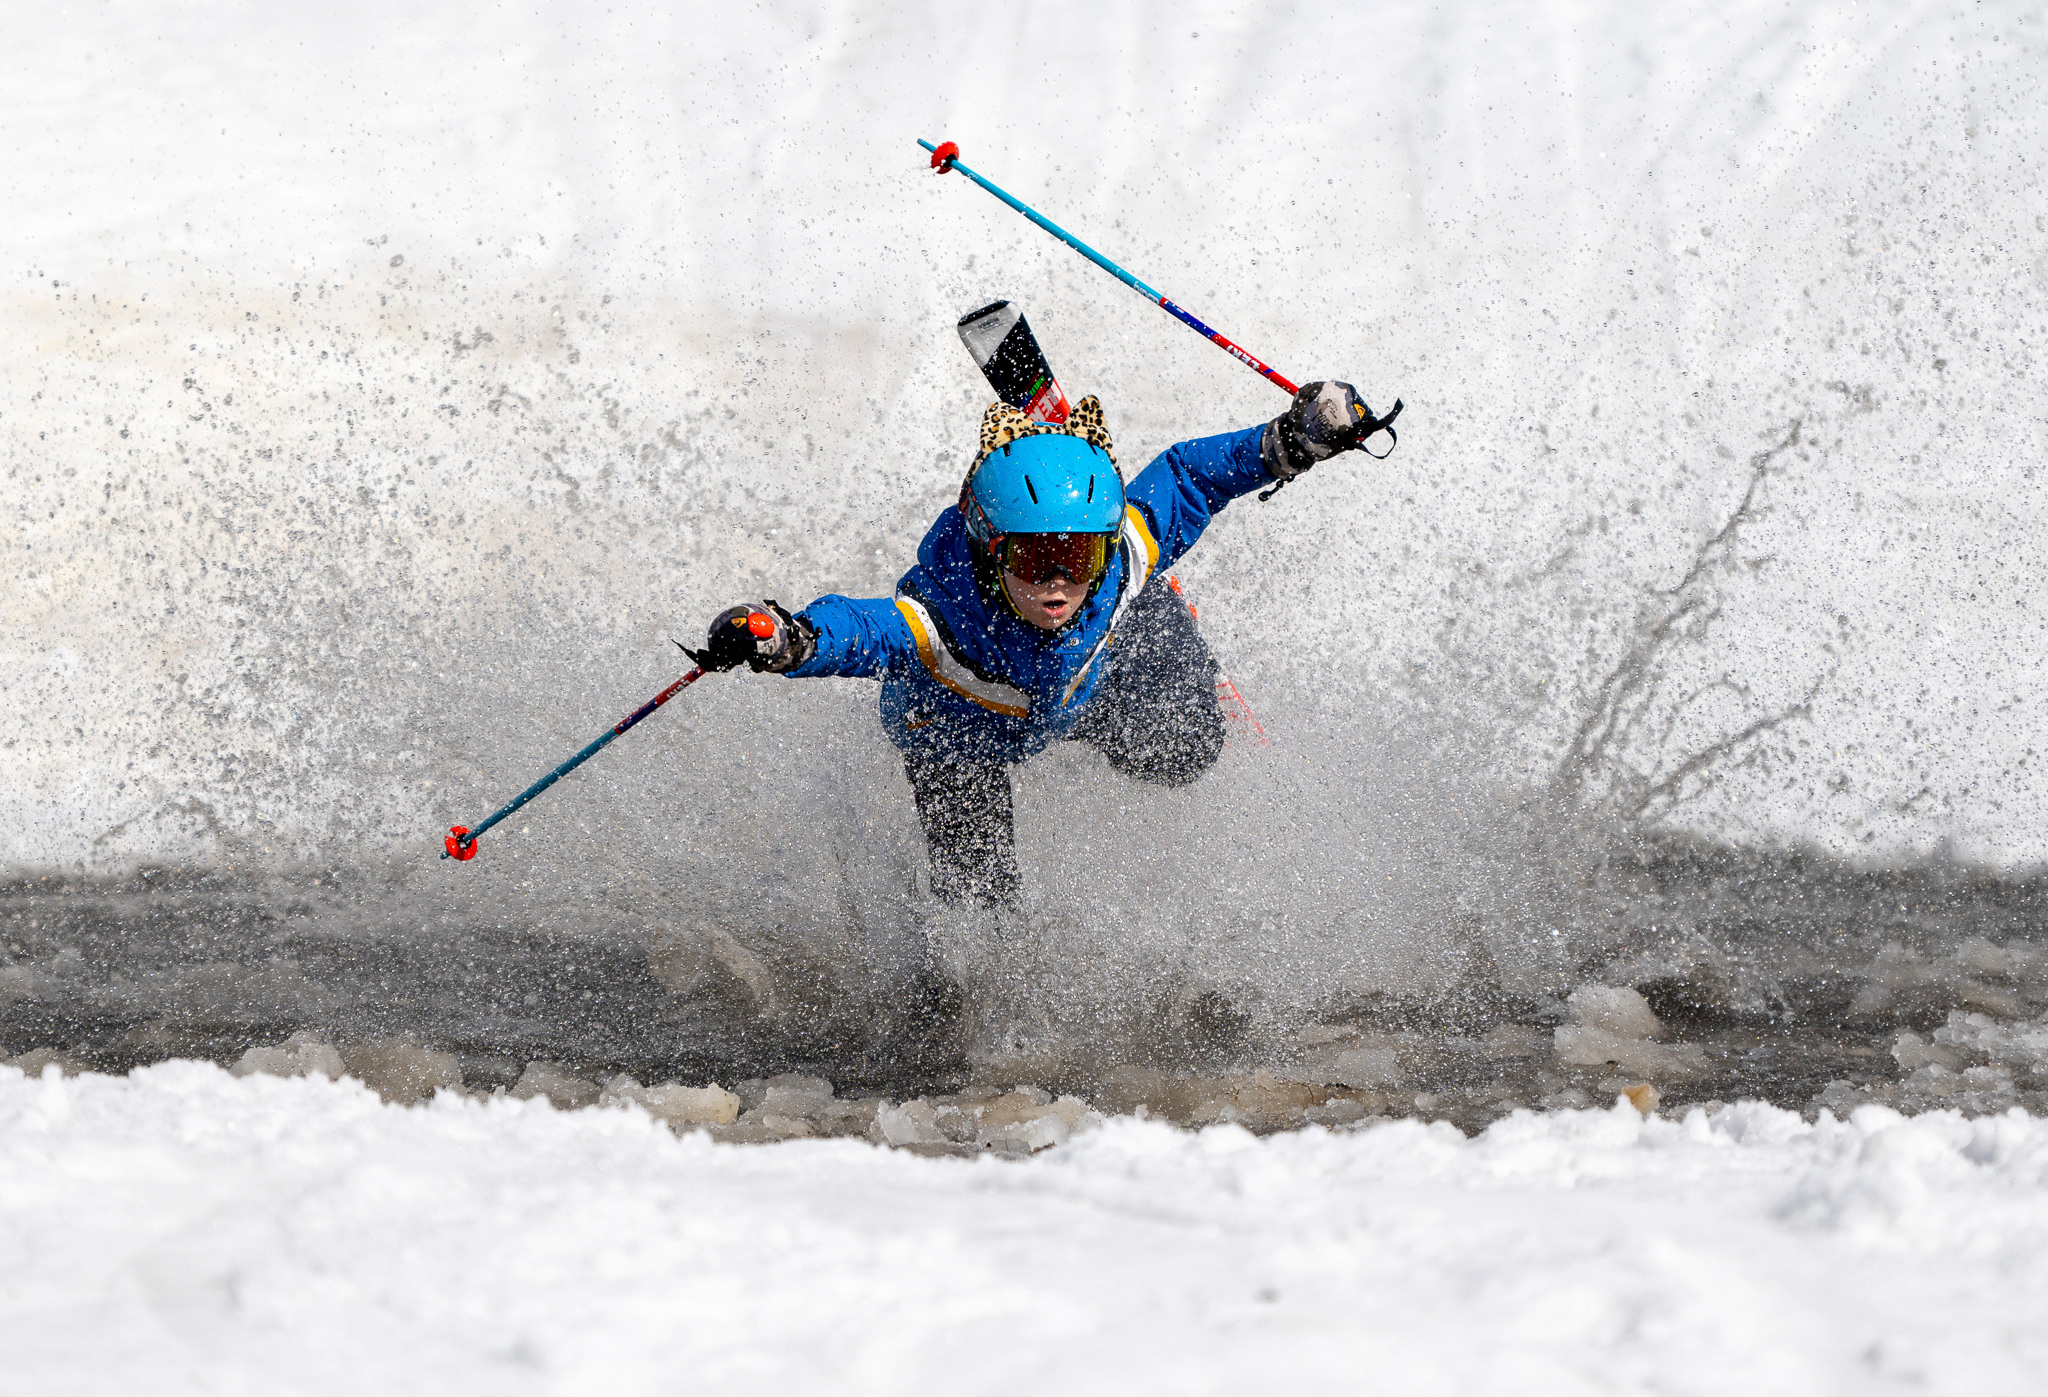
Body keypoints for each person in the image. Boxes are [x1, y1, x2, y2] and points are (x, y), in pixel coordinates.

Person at [692, 381, 1385, 908]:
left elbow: (1192, 475)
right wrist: (785, 636)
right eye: (1034, 559)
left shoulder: (1120, 556)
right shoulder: (942, 619)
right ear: (992, 553)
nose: (1057, 582)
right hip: (957, 734)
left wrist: (1293, 440)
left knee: (1189, 749)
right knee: (983, 916)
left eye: (1076, 557)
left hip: (1077, 691)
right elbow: (860, 628)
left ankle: (1150, 608)